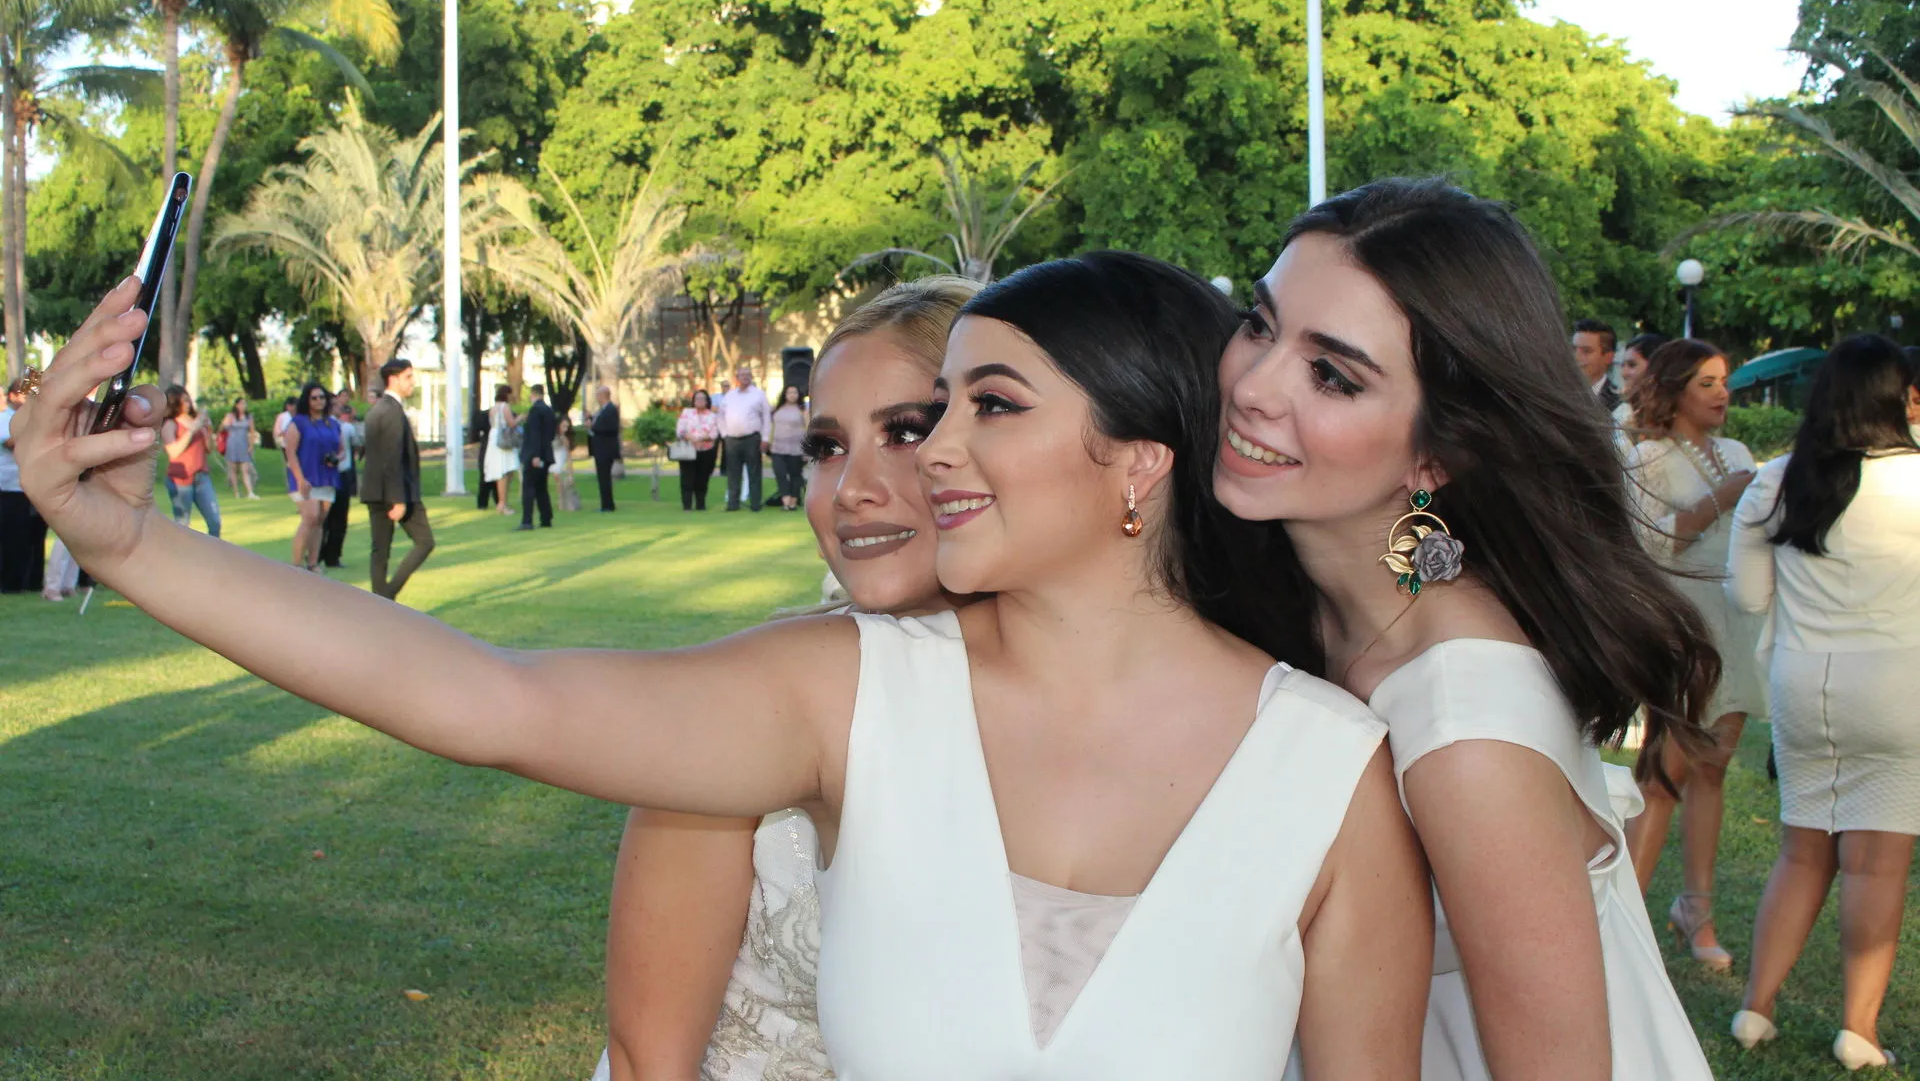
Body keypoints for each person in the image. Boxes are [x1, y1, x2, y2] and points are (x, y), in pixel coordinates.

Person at [18, 265, 1431, 1079]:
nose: (926, 456)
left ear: (1138, 464)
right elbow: (483, 696)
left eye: (984, 410)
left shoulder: (1328, 778)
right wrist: (121, 540)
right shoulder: (849, 693)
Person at [1217, 179, 1717, 1079]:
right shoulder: (1363, 601)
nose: (1253, 386)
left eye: (1330, 374)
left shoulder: (1464, 728)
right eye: (1260, 324)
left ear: (1436, 454)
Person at [594, 276, 976, 1081]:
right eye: (827, 449)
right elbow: (647, 1061)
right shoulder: (743, 703)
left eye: (905, 432)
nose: (849, 491)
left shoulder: (1122, 711)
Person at [1725, 335, 1920, 1070]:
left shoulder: (1777, 479)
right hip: (1901, 685)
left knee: (1801, 851)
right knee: (1876, 865)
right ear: (1896, 398)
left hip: (1803, 686)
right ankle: (1858, 1031)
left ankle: (1756, 1007)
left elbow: (1745, 594)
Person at [1620, 338, 1767, 969]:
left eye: (1724, 381)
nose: (1722, 393)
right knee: (1664, 772)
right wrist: (1725, 497)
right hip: (1682, 625)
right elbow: (1652, 547)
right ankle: (1622, 916)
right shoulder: (1646, 456)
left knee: (1714, 767)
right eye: (1707, 382)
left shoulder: (1737, 453)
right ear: (1677, 388)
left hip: (1735, 621)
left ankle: (1695, 912)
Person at [361, 359, 435, 601]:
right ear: (394, 379)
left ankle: (380, 602)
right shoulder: (391, 411)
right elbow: (392, 458)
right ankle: (386, 596)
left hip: (375, 490)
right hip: (394, 492)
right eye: (408, 377)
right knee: (424, 542)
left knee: (379, 551)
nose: (412, 382)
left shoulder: (377, 409)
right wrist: (398, 499)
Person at [281, 383, 343, 573]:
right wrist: (300, 479)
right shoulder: (298, 423)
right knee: (310, 517)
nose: (319, 401)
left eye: (322, 397)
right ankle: (296, 565)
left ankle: (313, 563)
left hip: (327, 477)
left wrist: (336, 459)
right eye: (314, 398)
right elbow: (290, 452)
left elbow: (341, 450)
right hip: (306, 476)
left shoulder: (332, 423)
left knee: (319, 521)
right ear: (307, 400)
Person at [0, 376, 47, 594]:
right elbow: (13, 444)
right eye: (25, 395)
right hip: (9, 487)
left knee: (34, 535)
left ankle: (33, 580)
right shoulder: (5, 419)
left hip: (32, 485)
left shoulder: (30, 420)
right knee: (12, 536)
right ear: (12, 396)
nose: (29, 400)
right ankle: (10, 583)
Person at [160, 386, 223, 538]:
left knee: (215, 521)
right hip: (181, 480)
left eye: (188, 400)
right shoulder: (170, 424)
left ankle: (213, 555)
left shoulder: (195, 422)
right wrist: (191, 430)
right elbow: (174, 452)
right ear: (175, 403)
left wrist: (208, 429)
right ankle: (181, 558)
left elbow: (209, 449)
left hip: (201, 477)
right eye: (184, 401)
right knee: (183, 524)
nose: (188, 404)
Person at [717, 366, 771, 512]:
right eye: (742, 375)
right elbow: (720, 416)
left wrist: (765, 438)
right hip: (732, 440)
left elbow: (766, 417)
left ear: (751, 377)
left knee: (754, 472)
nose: (745, 377)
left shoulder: (759, 394)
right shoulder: (730, 395)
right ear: (737, 378)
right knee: (733, 473)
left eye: (748, 374)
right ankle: (733, 504)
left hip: (752, 439)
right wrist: (724, 435)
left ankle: (755, 504)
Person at [319, 396, 363, 570]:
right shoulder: (326, 426)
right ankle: (320, 552)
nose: (340, 407)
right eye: (336, 405)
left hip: (342, 473)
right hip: (328, 475)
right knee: (323, 517)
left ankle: (332, 555)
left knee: (339, 517)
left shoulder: (344, 427)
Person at [517, 384, 557, 531]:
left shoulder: (535, 410)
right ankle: (546, 518)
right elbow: (551, 434)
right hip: (546, 454)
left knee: (529, 487)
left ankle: (527, 520)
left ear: (533, 394)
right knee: (541, 487)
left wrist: (535, 455)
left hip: (535, 454)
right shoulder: (549, 411)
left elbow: (534, 435)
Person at [674, 389, 721, 511]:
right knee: (687, 479)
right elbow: (680, 430)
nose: (700, 401)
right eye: (697, 398)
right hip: (688, 451)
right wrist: (688, 437)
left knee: (702, 479)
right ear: (693, 401)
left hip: (706, 451)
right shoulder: (687, 412)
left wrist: (701, 438)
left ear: (707, 401)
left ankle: (701, 505)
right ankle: (687, 506)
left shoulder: (712, 416)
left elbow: (714, 433)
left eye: (702, 398)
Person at [1614, 332, 1668, 428]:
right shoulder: (1623, 414)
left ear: (1656, 367)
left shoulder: (1676, 414)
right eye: (1622, 365)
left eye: (1632, 365)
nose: (1623, 373)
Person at [484, 385, 522, 517]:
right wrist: (521, 418)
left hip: (494, 439)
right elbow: (511, 423)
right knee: (504, 471)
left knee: (505, 471)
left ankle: (503, 502)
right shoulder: (504, 407)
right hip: (503, 441)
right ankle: (502, 503)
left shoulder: (493, 409)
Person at [768, 383, 807, 511]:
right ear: (784, 394)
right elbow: (770, 427)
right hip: (777, 448)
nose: (792, 395)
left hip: (796, 449)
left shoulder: (802, 410)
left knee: (795, 475)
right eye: (789, 392)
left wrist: (807, 451)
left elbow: (808, 430)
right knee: (780, 474)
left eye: (794, 392)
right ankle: (785, 500)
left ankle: (793, 502)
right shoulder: (777, 409)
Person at [1571, 318, 1620, 414]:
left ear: (1608, 357)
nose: (1575, 357)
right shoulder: (1557, 393)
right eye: (1573, 348)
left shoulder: (1619, 405)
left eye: (1586, 351)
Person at [589, 385, 621, 513]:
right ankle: (605, 503)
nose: (596, 398)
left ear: (603, 395)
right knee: (602, 477)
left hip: (605, 449)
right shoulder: (602, 410)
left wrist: (594, 427)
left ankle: (607, 505)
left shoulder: (610, 409)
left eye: (598, 395)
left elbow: (612, 428)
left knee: (604, 477)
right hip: (599, 448)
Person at [222, 398, 259, 499]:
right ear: (236, 405)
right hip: (232, 443)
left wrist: (251, 445)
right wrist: (227, 422)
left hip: (243, 444)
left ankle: (250, 492)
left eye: (245, 404)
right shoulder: (230, 416)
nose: (243, 406)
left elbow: (252, 431)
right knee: (233, 469)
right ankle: (236, 492)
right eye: (241, 404)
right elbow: (223, 427)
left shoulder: (248, 417)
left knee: (245, 469)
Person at [555, 414, 582, 514]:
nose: (565, 429)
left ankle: (562, 502)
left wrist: (570, 474)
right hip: (552, 461)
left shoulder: (566, 439)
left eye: (567, 426)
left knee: (558, 475)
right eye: (563, 426)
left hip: (559, 462)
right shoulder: (551, 436)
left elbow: (569, 458)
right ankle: (561, 502)